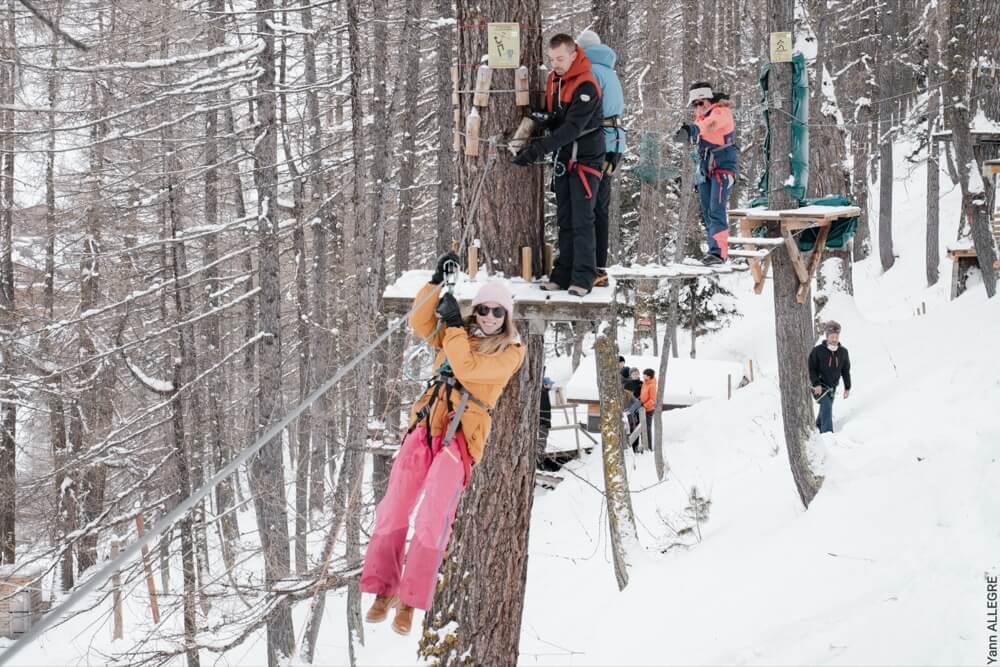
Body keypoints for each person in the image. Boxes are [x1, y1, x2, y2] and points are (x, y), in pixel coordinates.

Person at [361, 253, 525, 635]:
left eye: (496, 313)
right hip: (427, 424)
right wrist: (436, 284)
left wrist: (452, 327)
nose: (487, 317)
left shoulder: (510, 353)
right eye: (482, 309)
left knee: (433, 516)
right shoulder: (459, 334)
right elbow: (420, 321)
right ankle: (383, 590)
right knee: (395, 505)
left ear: (506, 318)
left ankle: (411, 600)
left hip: (460, 439)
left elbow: (468, 369)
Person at [513, 33, 604, 297]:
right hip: (564, 158)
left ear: (574, 54)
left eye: (560, 58)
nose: (555, 64)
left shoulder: (586, 85)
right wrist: (544, 119)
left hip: (585, 159)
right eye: (552, 59)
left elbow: (574, 128)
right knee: (565, 219)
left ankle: (584, 276)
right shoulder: (555, 80)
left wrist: (536, 150)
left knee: (583, 219)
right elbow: (560, 120)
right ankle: (562, 273)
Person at [576, 29, 626, 288]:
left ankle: (591, 266)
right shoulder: (610, 71)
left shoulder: (590, 72)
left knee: (590, 207)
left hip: (598, 143)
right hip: (614, 142)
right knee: (600, 206)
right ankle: (598, 265)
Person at [678, 82, 737, 265]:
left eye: (701, 102)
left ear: (709, 100)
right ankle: (713, 249)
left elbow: (710, 125)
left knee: (716, 209)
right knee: (706, 212)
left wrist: (693, 129)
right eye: (695, 104)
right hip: (705, 169)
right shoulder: (701, 116)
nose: (698, 107)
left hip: (723, 167)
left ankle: (719, 253)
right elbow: (700, 127)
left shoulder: (721, 112)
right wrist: (687, 132)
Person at [808, 321, 851, 434]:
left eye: (836, 337)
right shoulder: (817, 351)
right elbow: (811, 368)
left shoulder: (843, 352)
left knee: (824, 410)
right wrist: (816, 383)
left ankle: (817, 429)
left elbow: (845, 370)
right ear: (827, 336)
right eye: (832, 336)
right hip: (819, 386)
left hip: (832, 387)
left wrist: (847, 387)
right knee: (827, 407)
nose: (834, 339)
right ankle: (827, 435)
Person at [623, 368, 644, 448]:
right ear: (630, 375)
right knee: (630, 427)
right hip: (629, 409)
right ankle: (630, 445)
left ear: (639, 374)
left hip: (639, 408)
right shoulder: (627, 384)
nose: (635, 375)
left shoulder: (642, 384)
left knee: (639, 426)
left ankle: (638, 445)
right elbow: (626, 397)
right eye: (633, 373)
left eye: (636, 373)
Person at [537, 376, 554, 467]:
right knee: (541, 441)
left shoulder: (545, 393)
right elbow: (543, 410)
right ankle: (539, 461)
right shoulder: (542, 394)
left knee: (542, 440)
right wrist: (546, 421)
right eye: (549, 384)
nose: (551, 386)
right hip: (542, 423)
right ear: (545, 384)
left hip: (544, 422)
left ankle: (540, 461)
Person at [639, 368, 657, 451]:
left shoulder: (652, 385)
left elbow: (653, 400)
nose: (643, 376)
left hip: (649, 410)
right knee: (642, 428)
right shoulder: (644, 383)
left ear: (649, 376)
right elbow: (642, 395)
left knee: (647, 428)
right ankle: (643, 444)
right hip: (642, 408)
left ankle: (649, 447)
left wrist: (645, 405)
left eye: (644, 375)